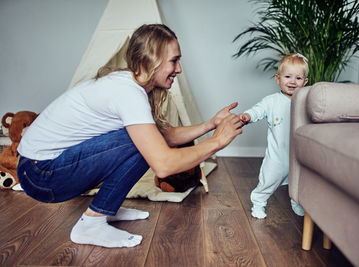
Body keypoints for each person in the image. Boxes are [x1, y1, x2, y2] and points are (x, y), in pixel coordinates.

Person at [17, 24, 243, 248]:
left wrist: (210, 124)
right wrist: (217, 142)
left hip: (38, 169)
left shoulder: (130, 84)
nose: (179, 69)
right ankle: (92, 224)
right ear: (150, 60)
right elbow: (163, 164)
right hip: (40, 175)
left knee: (148, 140)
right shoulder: (128, 93)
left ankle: (106, 207)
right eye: (174, 60)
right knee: (145, 146)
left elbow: (166, 136)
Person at [239, 53, 308, 219]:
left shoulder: (305, 101)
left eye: (298, 78)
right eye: (288, 76)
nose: (292, 81)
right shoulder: (272, 101)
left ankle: (296, 201)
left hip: (298, 155)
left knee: (299, 182)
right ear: (278, 79)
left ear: (305, 82)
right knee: (268, 180)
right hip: (277, 155)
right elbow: (258, 110)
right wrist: (248, 116)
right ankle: (258, 202)